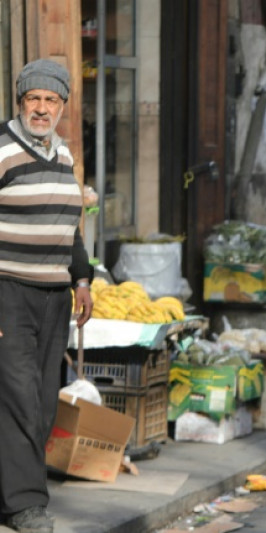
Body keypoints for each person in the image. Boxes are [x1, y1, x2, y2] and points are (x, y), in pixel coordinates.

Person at [0, 59, 94, 533]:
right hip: (7, 290)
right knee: (18, 396)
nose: (41, 108)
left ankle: (9, 494)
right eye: (33, 99)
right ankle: (25, 505)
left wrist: (82, 279)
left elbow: (67, 226)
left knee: (41, 398)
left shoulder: (63, 155)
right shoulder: (1, 148)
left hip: (53, 294)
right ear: (20, 103)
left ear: (62, 106)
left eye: (50, 100)